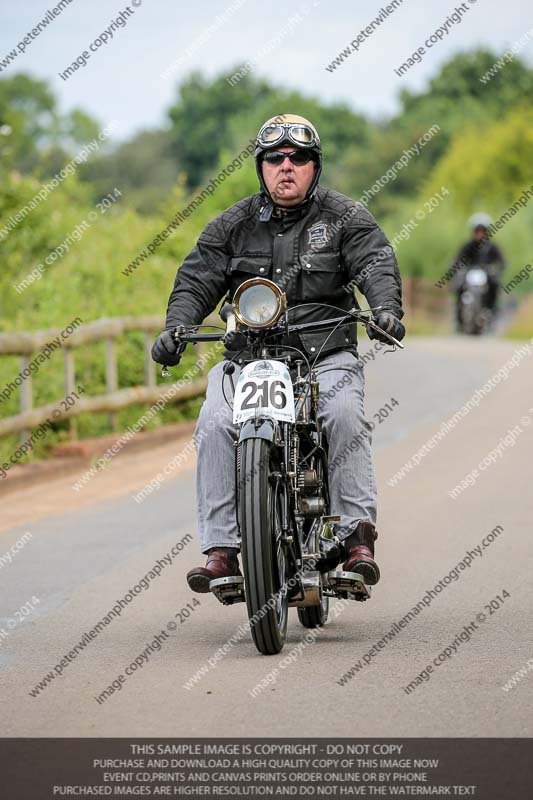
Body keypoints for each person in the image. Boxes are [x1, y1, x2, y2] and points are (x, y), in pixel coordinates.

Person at [152, 114, 405, 593]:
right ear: (261, 167)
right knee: (212, 423)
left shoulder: (345, 218)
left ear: (315, 166)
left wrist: (386, 310)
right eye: (275, 158)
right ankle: (223, 551)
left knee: (344, 413)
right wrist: (175, 329)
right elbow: (196, 279)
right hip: (249, 357)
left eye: (298, 158)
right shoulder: (231, 225)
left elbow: (376, 261)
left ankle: (356, 541)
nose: (286, 166)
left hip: (325, 354)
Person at [451, 213, 506, 327]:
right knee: (459, 287)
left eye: (483, 231)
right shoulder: (468, 245)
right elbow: (458, 259)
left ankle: (491, 311)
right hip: (469, 273)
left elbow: (501, 261)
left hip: (486, 273)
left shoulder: (492, 247)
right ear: (474, 231)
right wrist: (456, 268)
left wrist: (498, 268)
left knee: (494, 284)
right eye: (478, 231)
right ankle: (459, 316)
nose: (480, 234)